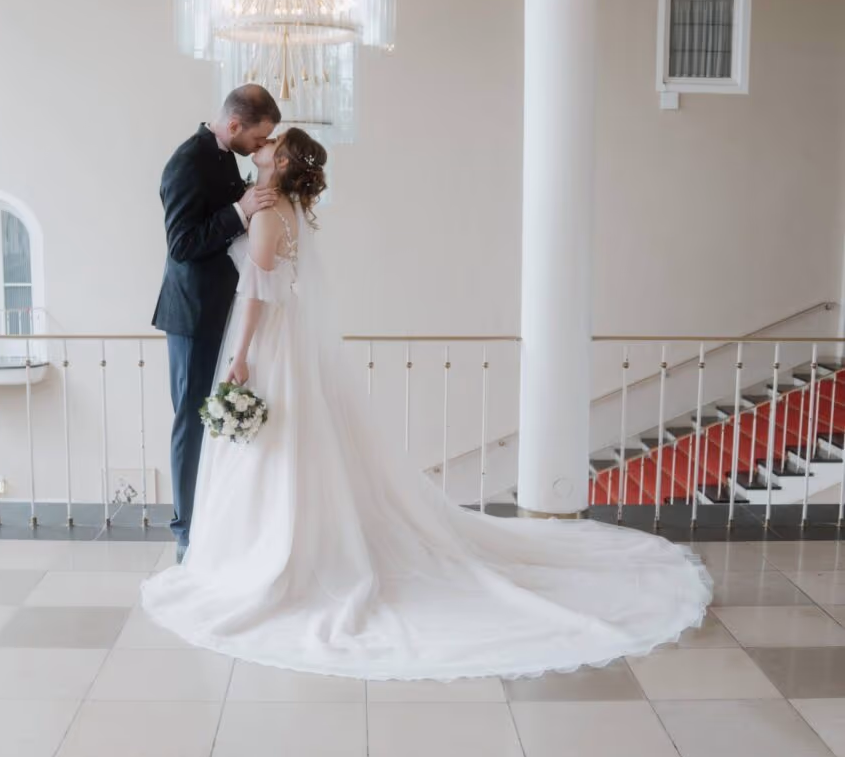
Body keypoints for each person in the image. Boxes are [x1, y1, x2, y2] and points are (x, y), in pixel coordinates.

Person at [143, 128, 712, 682]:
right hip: (288, 342)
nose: (261, 147)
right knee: (292, 441)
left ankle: (273, 554)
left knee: (276, 444)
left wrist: (239, 356)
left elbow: (256, 291)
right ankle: (286, 539)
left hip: (267, 341)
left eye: (272, 144)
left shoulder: (267, 213)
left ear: (284, 164)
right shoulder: (282, 210)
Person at [152, 85, 281, 559]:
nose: (261, 145)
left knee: (216, 419)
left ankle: (213, 518)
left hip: (223, 309)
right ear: (233, 126)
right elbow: (181, 245)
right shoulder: (186, 162)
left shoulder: (225, 156)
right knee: (191, 419)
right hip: (192, 314)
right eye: (259, 136)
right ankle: (185, 531)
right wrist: (240, 211)